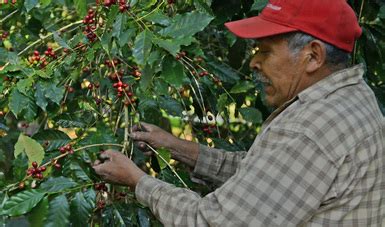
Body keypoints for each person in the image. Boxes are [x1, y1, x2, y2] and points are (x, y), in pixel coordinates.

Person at [93, 0, 385, 225]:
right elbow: (268, 176)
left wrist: (137, 180)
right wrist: (176, 146)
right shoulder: (353, 95)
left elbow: (213, 223)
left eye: (265, 51)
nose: (254, 63)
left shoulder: (309, 130)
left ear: (313, 56)